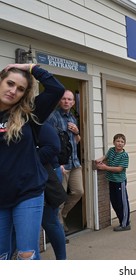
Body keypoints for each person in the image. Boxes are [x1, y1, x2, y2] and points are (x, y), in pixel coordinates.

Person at [0, 63, 65, 260]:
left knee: (26, 255)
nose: (13, 91)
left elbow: (56, 89)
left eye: (20, 89)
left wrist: (30, 67)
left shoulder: (28, 114)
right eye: (9, 83)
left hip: (28, 191)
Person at [47, 89, 83, 232]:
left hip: (75, 163)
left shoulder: (72, 118)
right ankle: (60, 228)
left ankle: (63, 214)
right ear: (59, 100)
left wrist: (77, 132)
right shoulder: (53, 117)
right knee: (60, 199)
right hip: (62, 165)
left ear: (73, 102)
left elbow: (77, 141)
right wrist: (57, 163)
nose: (66, 102)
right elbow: (50, 142)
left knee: (78, 192)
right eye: (64, 99)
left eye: (69, 99)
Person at [39, 121, 67, 259]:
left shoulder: (38, 122)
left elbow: (54, 147)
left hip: (48, 174)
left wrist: (27, 159)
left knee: (49, 220)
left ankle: (62, 260)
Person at [95, 133, 130, 232]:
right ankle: (122, 219)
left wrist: (105, 167)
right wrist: (100, 159)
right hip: (111, 180)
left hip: (120, 182)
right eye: (118, 141)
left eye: (122, 142)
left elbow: (119, 169)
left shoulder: (124, 155)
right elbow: (106, 156)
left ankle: (125, 224)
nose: (120, 143)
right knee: (114, 202)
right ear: (114, 142)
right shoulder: (111, 150)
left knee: (122, 202)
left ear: (124, 144)